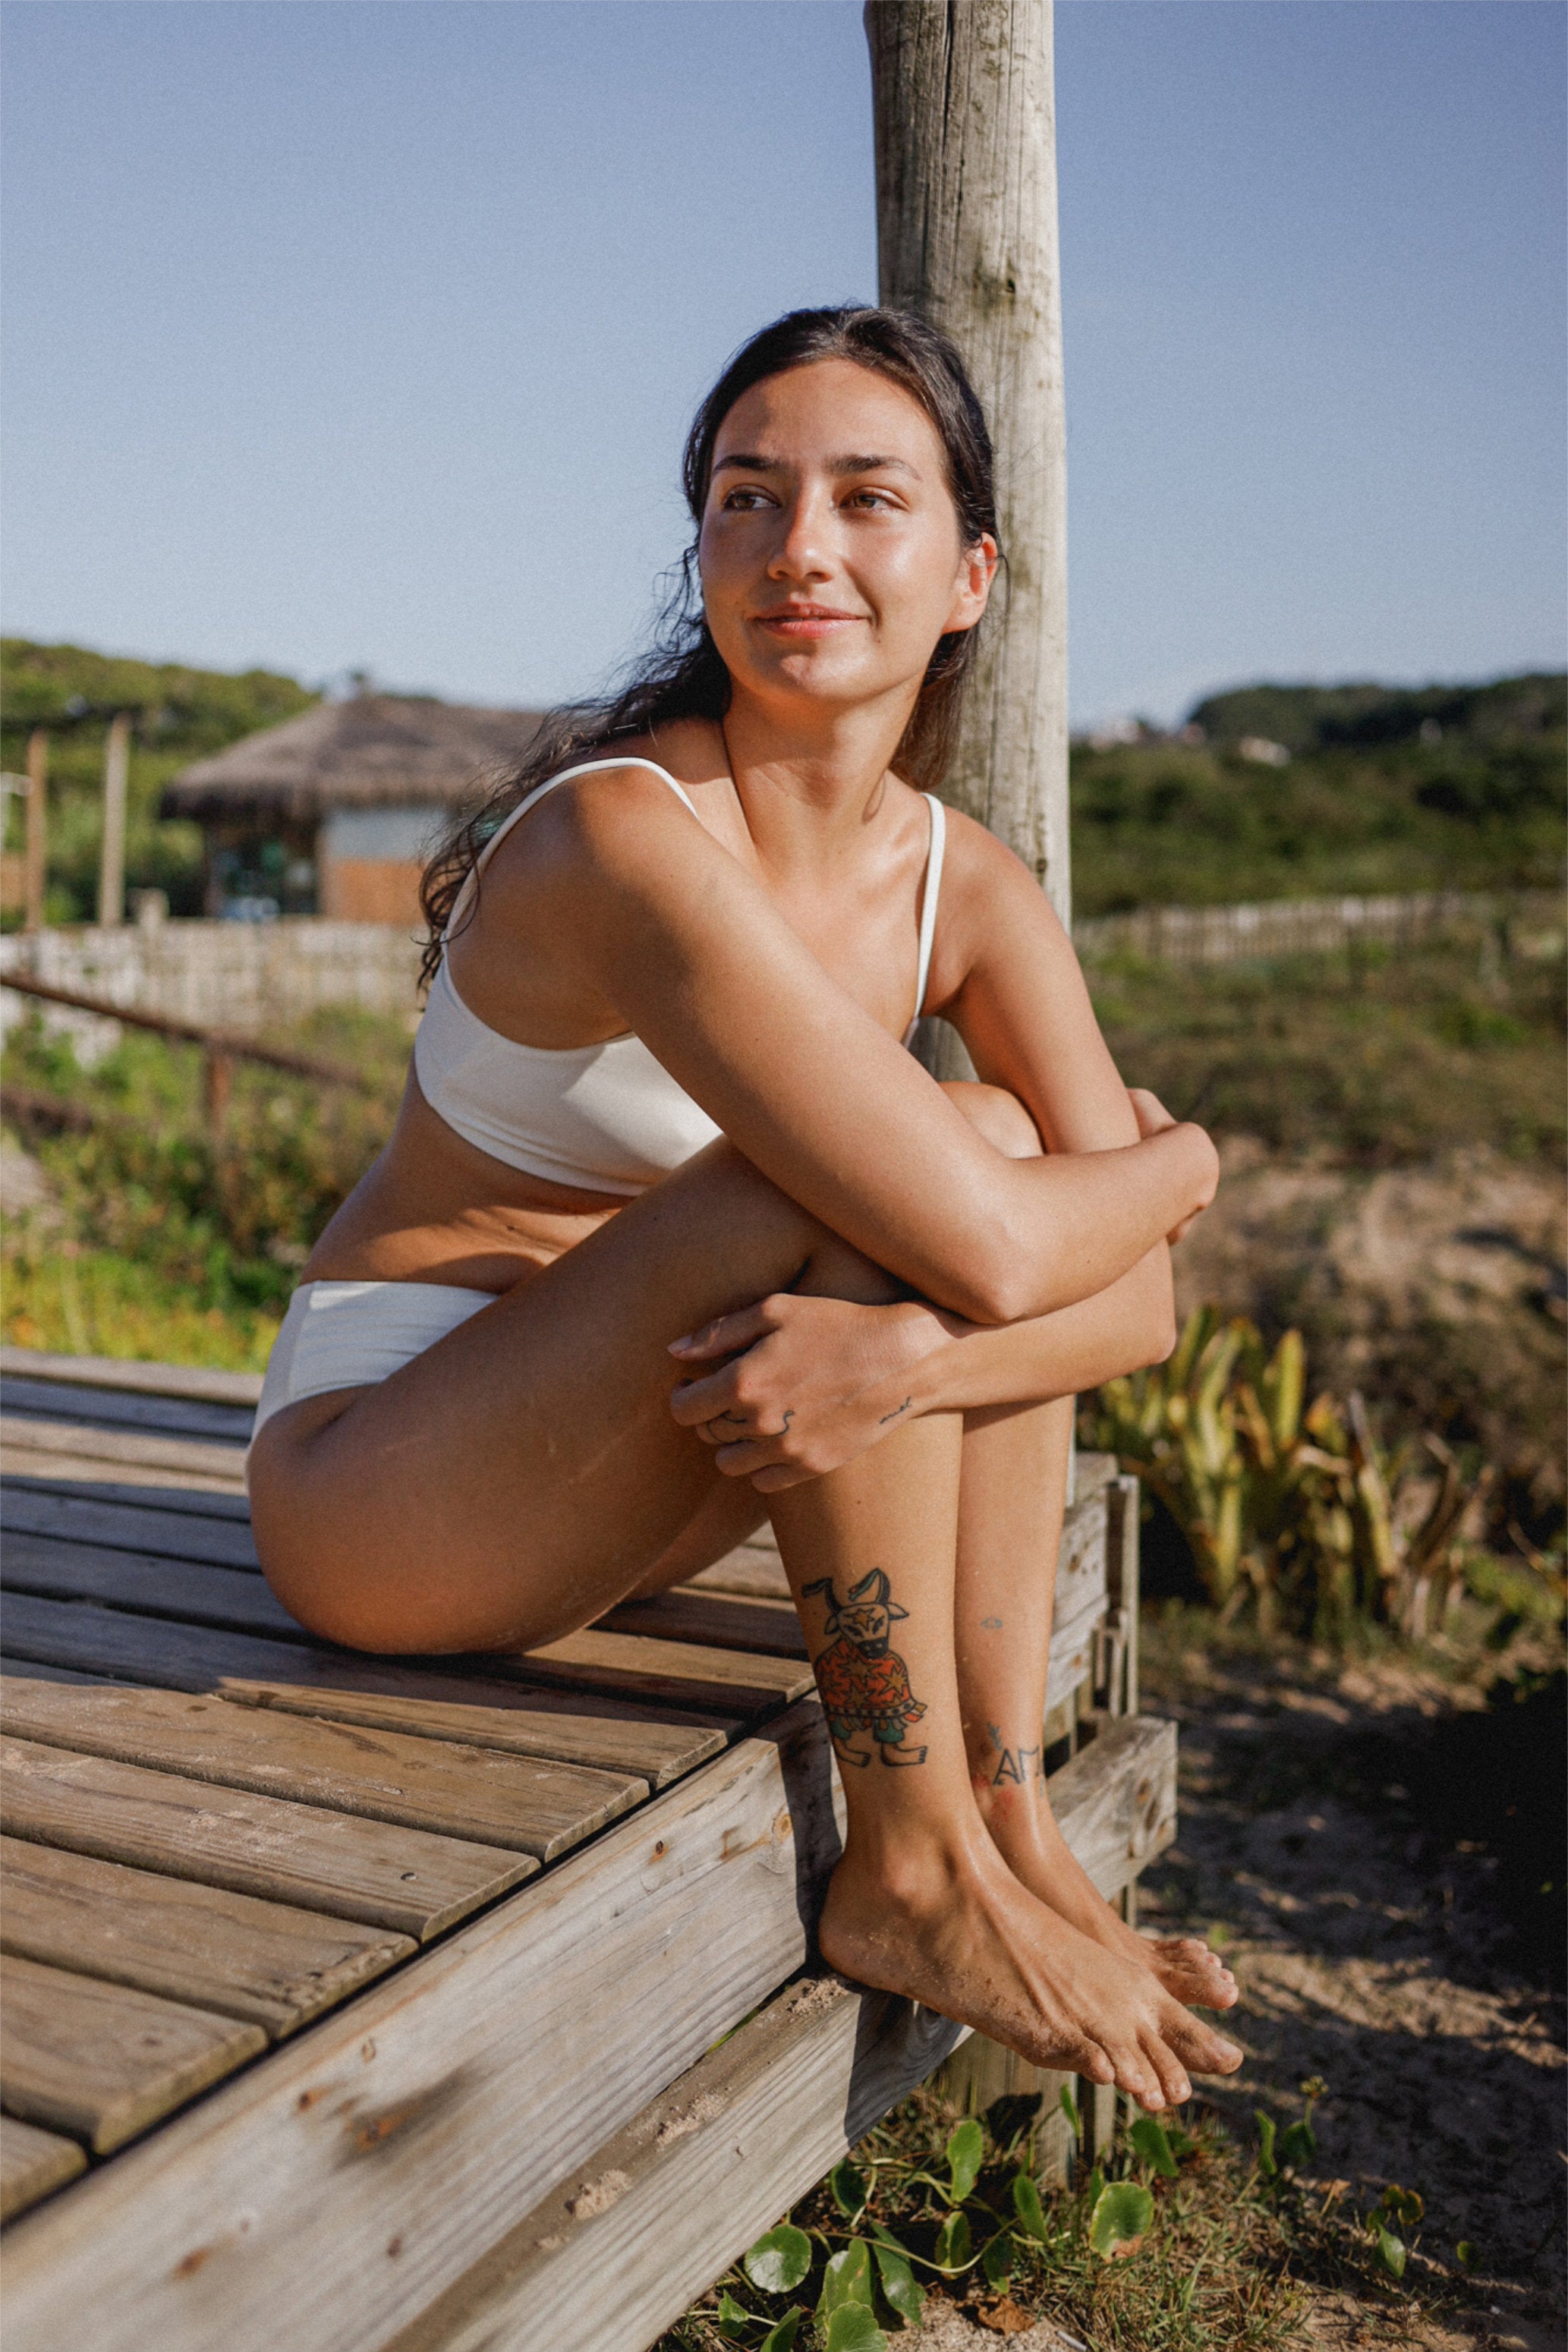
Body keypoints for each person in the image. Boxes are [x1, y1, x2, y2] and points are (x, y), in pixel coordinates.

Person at [247, 305, 1243, 2111]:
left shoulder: (970, 882)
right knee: (935, 1172)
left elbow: (1137, 1315)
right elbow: (1036, 1255)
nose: (799, 547)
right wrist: (1181, 1166)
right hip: (385, 1476)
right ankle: (911, 1861)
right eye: (744, 496)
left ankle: (1009, 1833)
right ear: (699, 545)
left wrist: (899, 1366)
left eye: (869, 497)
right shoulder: (618, 836)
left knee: (968, 1163)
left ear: (967, 572)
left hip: (656, 1446)